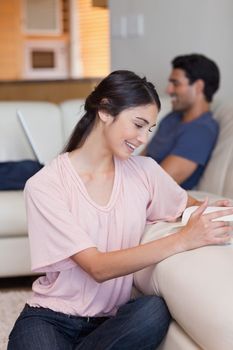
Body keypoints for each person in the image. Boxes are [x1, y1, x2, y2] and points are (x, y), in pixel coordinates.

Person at [7, 70, 232, 350]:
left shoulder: (146, 172)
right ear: (104, 110)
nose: (142, 139)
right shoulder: (45, 185)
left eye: (148, 129)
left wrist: (220, 214)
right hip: (51, 319)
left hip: (110, 323)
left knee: (152, 311)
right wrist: (182, 239)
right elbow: (96, 267)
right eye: (138, 124)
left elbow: (195, 208)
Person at [145, 54, 220, 190]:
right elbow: (141, 159)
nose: (168, 90)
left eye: (176, 83)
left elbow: (159, 184)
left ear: (198, 86)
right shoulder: (171, 118)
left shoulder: (201, 131)